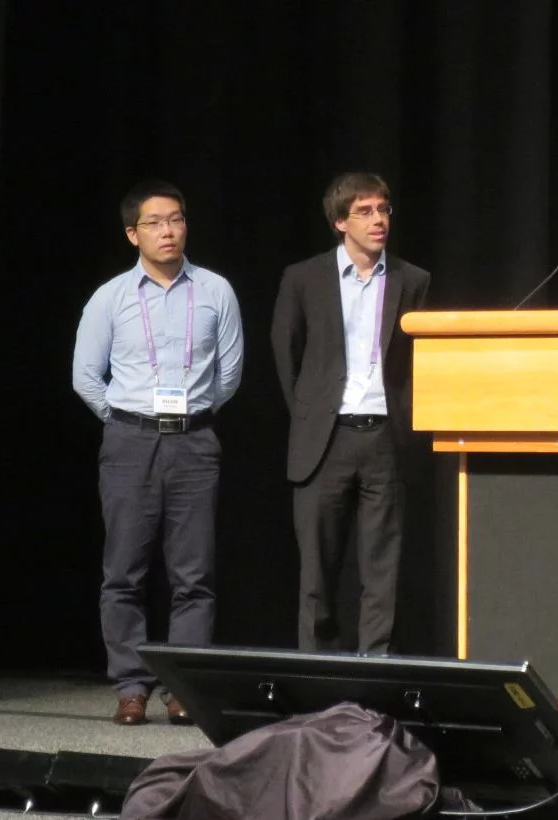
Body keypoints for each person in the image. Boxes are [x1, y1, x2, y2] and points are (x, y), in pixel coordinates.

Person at [72, 180, 244, 725]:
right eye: (154, 222)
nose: (168, 231)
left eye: (176, 219)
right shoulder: (110, 297)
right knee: (124, 571)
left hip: (194, 440)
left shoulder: (216, 290)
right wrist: (129, 420)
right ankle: (131, 685)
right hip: (130, 441)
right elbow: (85, 376)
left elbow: (229, 375)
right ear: (133, 234)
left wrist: (188, 417)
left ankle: (182, 687)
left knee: (194, 574)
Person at [271, 172, 429, 654]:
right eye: (364, 212)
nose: (379, 220)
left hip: (385, 437)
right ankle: (318, 670)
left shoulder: (412, 280)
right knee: (318, 570)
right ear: (340, 222)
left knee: (382, 569)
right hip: (327, 438)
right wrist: (310, 414)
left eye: (383, 209)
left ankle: (376, 665)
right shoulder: (303, 278)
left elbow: (419, 361)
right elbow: (286, 350)